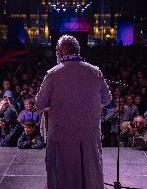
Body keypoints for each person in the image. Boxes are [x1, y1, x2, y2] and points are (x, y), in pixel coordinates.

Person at [36, 35, 112, 189]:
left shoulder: (53, 74)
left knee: (62, 174)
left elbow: (40, 103)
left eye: (57, 49)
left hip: (61, 134)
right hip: (89, 133)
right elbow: (107, 98)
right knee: (89, 172)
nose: (56, 52)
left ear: (62, 51)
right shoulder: (95, 71)